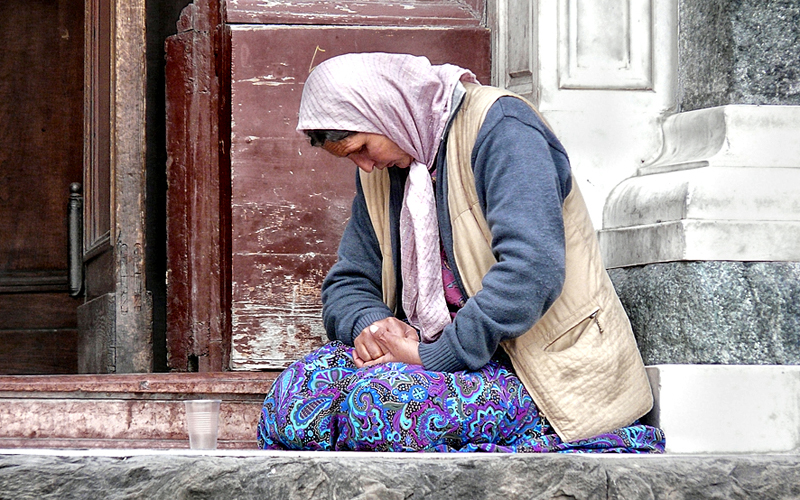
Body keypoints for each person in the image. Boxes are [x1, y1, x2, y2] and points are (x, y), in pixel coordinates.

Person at [256, 52, 665, 453]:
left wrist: (433, 355)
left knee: (382, 407)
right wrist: (375, 327)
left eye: (363, 148)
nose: (365, 166)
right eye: (352, 158)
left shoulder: (503, 129)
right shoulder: (386, 170)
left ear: (386, 112)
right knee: (294, 398)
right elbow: (349, 280)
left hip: (535, 367)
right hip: (431, 353)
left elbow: (531, 271)